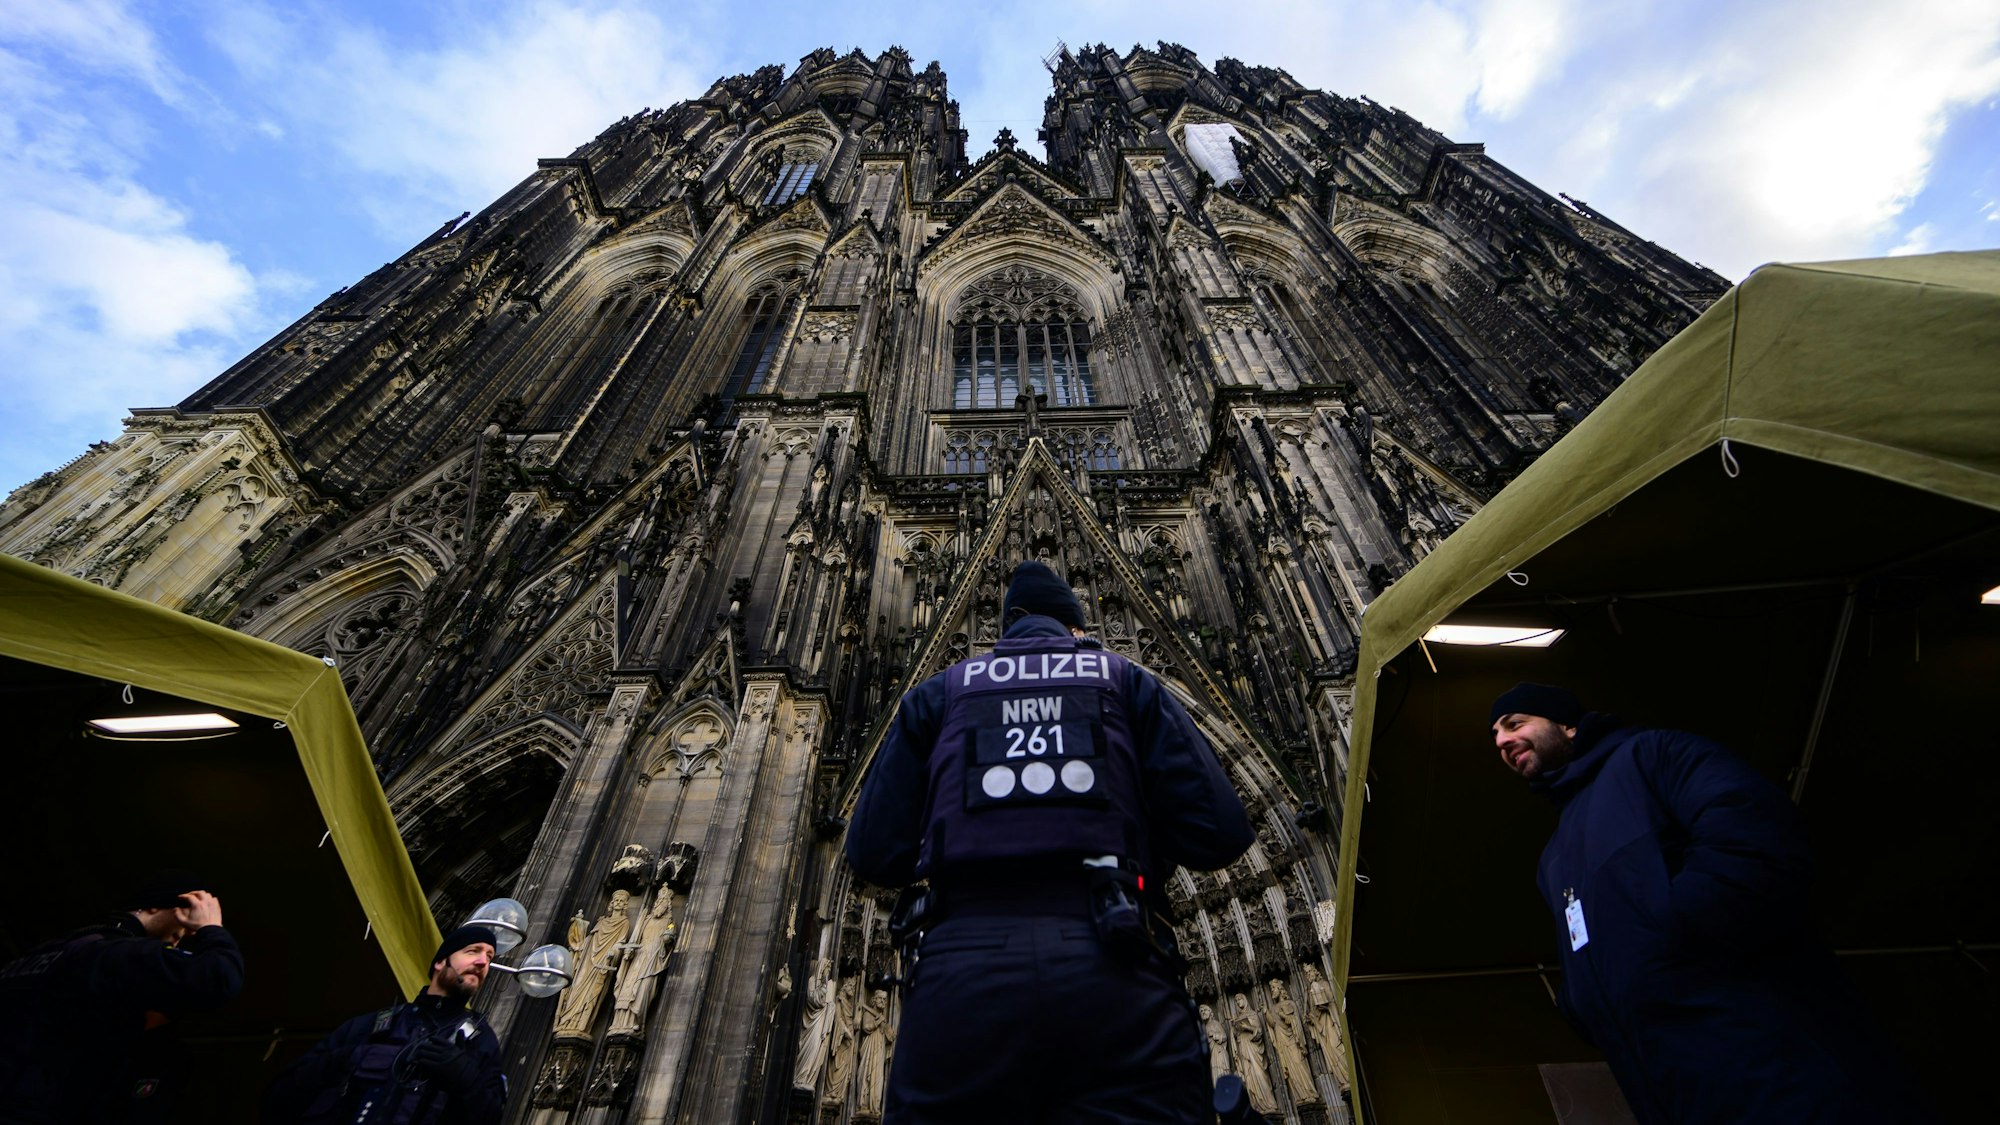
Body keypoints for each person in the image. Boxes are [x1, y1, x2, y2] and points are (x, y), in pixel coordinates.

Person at [848, 560, 1253, 1124]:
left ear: (1002, 633)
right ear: (1078, 632)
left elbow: (872, 854)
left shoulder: (937, 696)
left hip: (963, 979)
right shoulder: (1122, 678)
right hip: (1112, 965)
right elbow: (1219, 835)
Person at [1489, 682, 1938, 1124]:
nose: (1503, 741)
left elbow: (1753, 835)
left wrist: (1677, 938)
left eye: (1515, 723)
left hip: (1760, 1048)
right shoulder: (1554, 857)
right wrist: (1582, 1002)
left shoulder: (1652, 756)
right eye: (1495, 735)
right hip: (1660, 1078)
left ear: (1567, 726)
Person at [0, 870, 244, 1122]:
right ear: (152, 906)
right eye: (184, 912)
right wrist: (210, 926)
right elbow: (219, 978)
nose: (184, 932)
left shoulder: (47, 954)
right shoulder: (117, 955)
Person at [264, 925, 506, 1124]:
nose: (483, 963)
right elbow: (281, 1096)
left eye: (489, 957)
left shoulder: (480, 1040)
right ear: (441, 962)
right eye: (473, 951)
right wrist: (353, 1058)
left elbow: (491, 1116)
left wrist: (467, 1080)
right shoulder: (371, 1025)